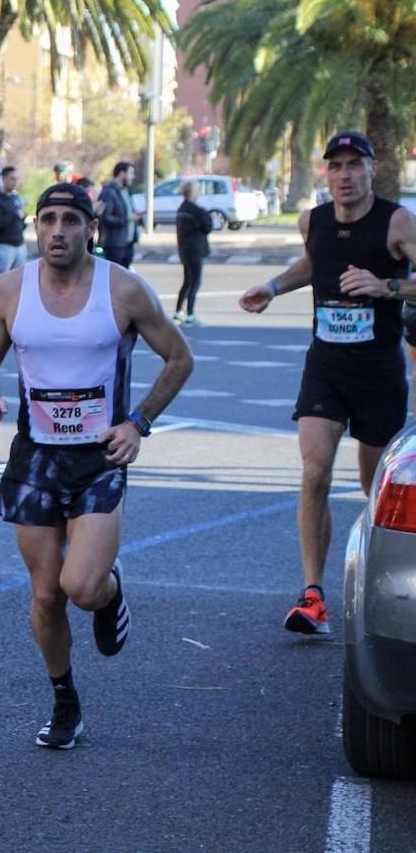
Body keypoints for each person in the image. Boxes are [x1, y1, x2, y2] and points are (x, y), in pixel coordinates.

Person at [0, 182, 192, 748]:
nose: (58, 231)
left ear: (91, 227)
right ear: (35, 226)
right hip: (35, 459)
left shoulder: (123, 289)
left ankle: (111, 593)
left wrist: (137, 423)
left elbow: (179, 358)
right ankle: (64, 699)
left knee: (82, 586)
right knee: (46, 595)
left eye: (71, 220)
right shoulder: (8, 291)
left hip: (99, 458)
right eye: (48, 220)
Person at [239, 130, 416, 635]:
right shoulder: (311, 219)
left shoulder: (397, 221)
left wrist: (386, 287)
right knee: (314, 471)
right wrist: (272, 287)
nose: (344, 175)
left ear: (371, 169)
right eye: (335, 166)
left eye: (353, 165)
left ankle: (383, 586)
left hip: (379, 371)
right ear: (327, 173)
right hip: (326, 367)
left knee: (372, 486)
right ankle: (313, 595)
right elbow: (314, 262)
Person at [174, 180, 214, 326]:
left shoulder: (181, 209)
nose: (199, 193)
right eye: (198, 190)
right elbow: (207, 227)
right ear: (191, 193)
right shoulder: (197, 210)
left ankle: (178, 311)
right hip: (195, 249)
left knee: (187, 281)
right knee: (195, 282)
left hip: (184, 249)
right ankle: (190, 314)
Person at [0, 165, 28, 276]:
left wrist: (22, 217)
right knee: (2, 281)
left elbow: (20, 218)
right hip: (4, 246)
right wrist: (15, 215)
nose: (15, 182)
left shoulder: (15, 197)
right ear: (4, 179)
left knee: (20, 281)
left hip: (20, 245)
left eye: (17, 179)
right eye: (12, 179)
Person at [97, 161, 137, 269]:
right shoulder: (109, 192)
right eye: (131, 173)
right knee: (114, 279)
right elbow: (105, 217)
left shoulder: (125, 191)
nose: (133, 177)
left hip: (127, 243)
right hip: (115, 244)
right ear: (121, 174)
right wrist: (126, 219)